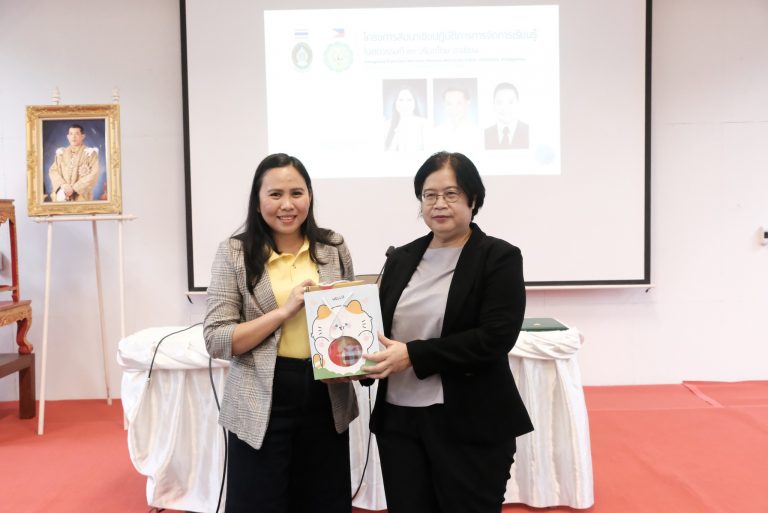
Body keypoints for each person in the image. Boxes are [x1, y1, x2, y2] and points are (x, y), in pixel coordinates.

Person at [363, 151, 532, 513]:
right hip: (400, 422)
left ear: (474, 199)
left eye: (451, 194)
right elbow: (378, 330)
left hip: (470, 422)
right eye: (429, 195)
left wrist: (413, 355)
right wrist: (355, 363)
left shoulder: (498, 257)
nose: (439, 204)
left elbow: (495, 337)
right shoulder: (400, 258)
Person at [204, 153, 358, 513]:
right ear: (258, 201)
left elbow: (349, 320)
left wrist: (356, 359)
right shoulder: (234, 253)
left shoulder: (333, 247)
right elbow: (217, 338)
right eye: (275, 194)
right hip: (261, 397)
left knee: (324, 502)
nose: (287, 205)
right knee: (259, 503)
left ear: (309, 197)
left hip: (325, 396)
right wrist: (284, 312)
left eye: (296, 193)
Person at [48, 124, 100, 201]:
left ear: (83, 136)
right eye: (71, 134)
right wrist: (63, 185)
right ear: (68, 137)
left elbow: (94, 174)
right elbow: (53, 171)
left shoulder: (90, 153)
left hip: (81, 196)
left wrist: (74, 189)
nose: (73, 137)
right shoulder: (61, 153)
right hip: (62, 194)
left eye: (77, 134)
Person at [432, 87, 481, 152]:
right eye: (449, 104)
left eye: (459, 103)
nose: (454, 108)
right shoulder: (436, 133)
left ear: (467, 103)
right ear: (444, 105)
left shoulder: (477, 133)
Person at [484, 82, 529, 149]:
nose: (505, 108)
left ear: (518, 104)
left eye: (510, 102)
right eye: (499, 102)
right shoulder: (486, 134)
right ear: (493, 105)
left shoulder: (528, 131)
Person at [384, 87, 428, 151]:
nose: (405, 103)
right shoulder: (387, 125)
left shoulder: (424, 124)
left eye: (409, 100)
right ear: (395, 103)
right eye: (401, 100)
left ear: (415, 103)